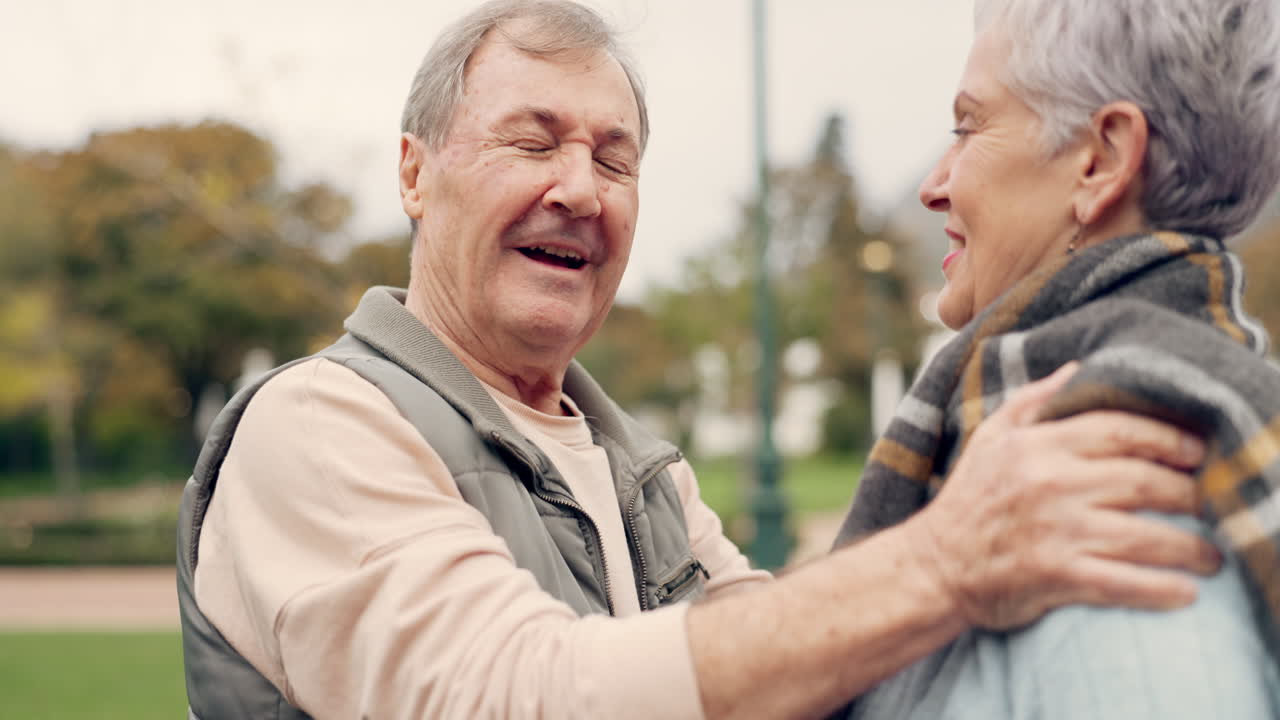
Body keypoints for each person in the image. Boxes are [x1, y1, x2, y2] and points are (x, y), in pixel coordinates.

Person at [176, 2, 1221, 718]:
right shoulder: (315, 424)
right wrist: (944, 559)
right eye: (533, 143)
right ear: (414, 172)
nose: (579, 190)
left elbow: (788, 664)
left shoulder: (645, 472)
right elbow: (513, 695)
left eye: (613, 157)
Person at [835, 0, 1280, 717]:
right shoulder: (1115, 447)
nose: (933, 184)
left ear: (1100, 160)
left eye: (968, 127)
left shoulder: (1111, 509)